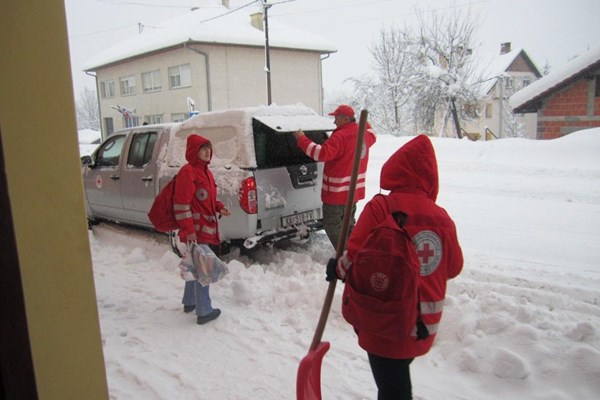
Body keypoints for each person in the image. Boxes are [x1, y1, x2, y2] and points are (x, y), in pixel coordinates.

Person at [332, 135, 463, 399]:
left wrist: (336, 268)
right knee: (394, 383)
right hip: (424, 325)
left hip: (384, 320)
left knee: (394, 389)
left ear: (395, 169)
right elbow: (453, 267)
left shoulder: (382, 208)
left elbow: (353, 258)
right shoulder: (442, 218)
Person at [293, 104, 376, 249]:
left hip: (337, 194)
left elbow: (321, 153)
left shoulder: (340, 137)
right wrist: (360, 123)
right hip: (354, 192)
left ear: (345, 119)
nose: (334, 122)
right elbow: (372, 133)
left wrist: (301, 138)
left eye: (336, 118)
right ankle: (354, 250)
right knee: (348, 224)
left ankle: (345, 254)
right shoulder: (364, 134)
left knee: (332, 224)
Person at [173, 134, 230, 325]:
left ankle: (190, 302)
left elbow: (207, 199)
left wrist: (219, 206)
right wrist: (188, 231)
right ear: (194, 152)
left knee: (194, 265)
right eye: (203, 149)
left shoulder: (205, 172)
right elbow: (181, 205)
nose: (208, 152)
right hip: (195, 232)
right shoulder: (187, 173)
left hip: (203, 230)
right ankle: (204, 310)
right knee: (202, 269)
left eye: (209, 148)